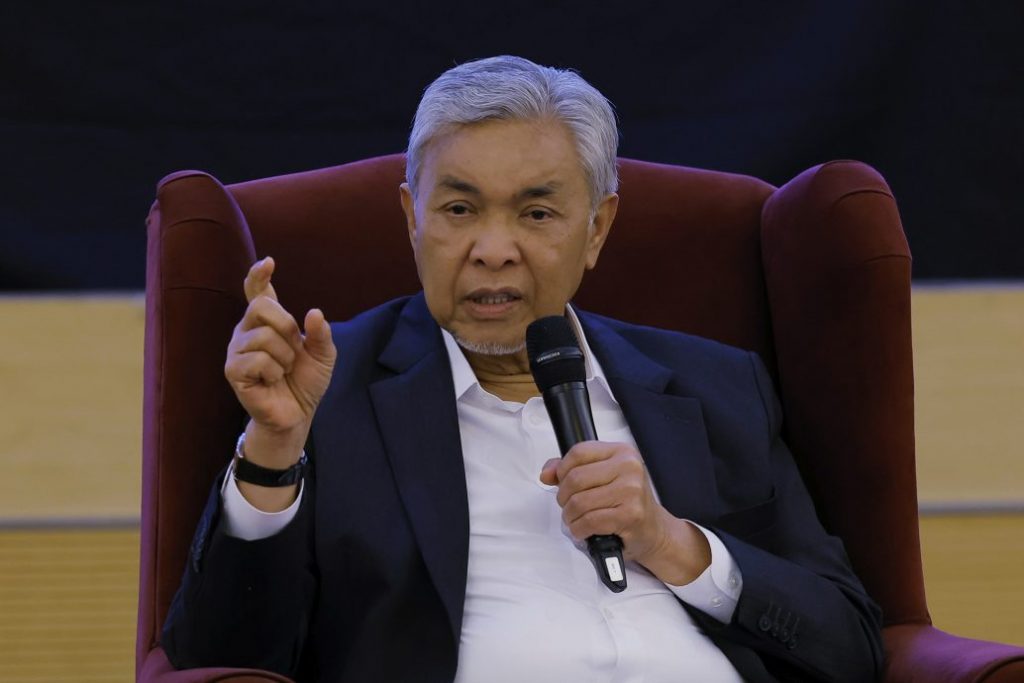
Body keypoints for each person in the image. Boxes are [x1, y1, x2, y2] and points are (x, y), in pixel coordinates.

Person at [162, 55, 883, 682]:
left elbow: (852, 647)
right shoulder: (319, 391)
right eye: (459, 209)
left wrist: (672, 542)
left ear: (597, 227)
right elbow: (220, 659)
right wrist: (273, 453)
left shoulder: (719, 387)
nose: (493, 250)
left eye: (536, 214)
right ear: (412, 217)